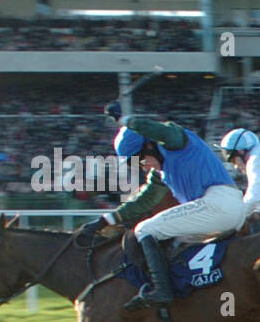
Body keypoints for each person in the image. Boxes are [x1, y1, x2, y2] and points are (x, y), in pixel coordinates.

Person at [80, 103, 244, 310]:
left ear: (149, 145)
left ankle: (161, 291)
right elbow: (144, 201)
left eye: (139, 159)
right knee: (172, 246)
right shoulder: (162, 173)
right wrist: (104, 221)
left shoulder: (175, 142)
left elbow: (158, 129)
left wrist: (125, 121)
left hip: (218, 204)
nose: (142, 166)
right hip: (223, 210)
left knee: (145, 229)